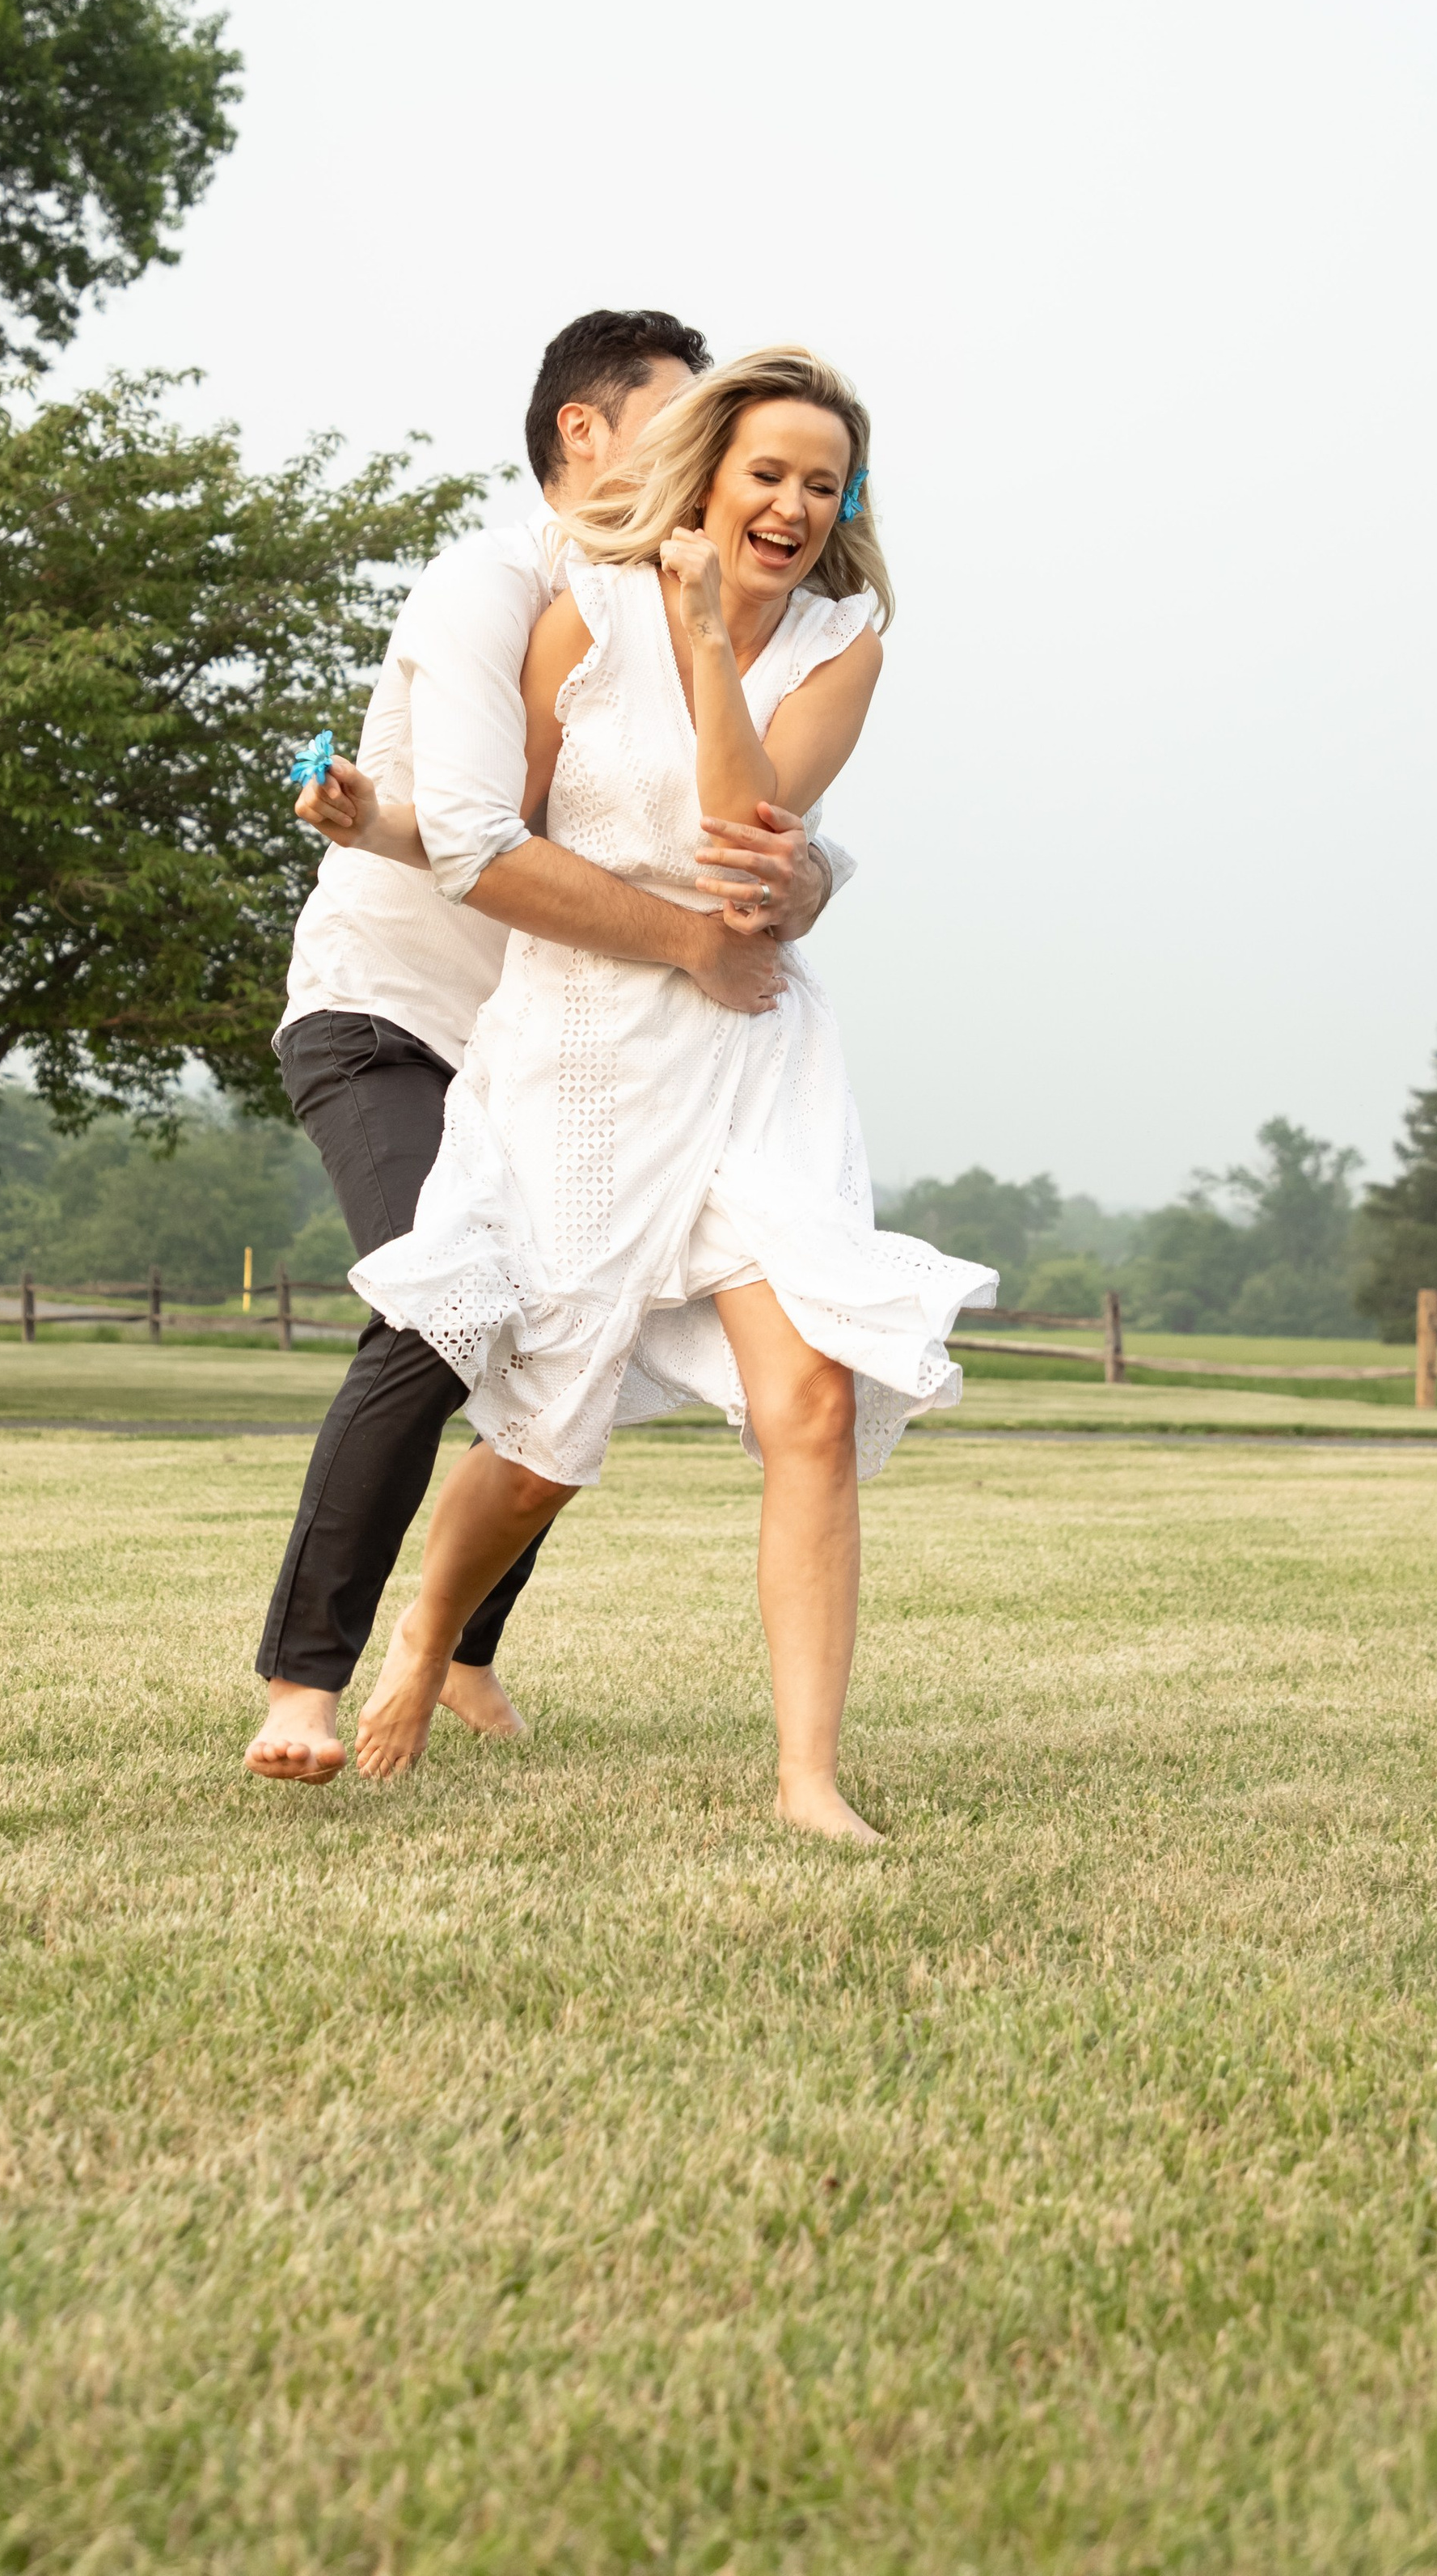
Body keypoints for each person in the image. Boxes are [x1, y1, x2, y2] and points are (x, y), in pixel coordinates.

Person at [342, 349, 997, 1841]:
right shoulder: (585, 610)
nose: (794, 504)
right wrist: (360, 814)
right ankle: (425, 1640)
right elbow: (486, 827)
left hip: (754, 1059)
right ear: (707, 474)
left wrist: (716, 647)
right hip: (581, 1054)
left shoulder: (844, 643)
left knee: (812, 1401)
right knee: (542, 1440)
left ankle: (808, 1780)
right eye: (768, 472)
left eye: (824, 483)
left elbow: (742, 831)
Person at [245, 312, 854, 1785]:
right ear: (589, 432)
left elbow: (756, 816)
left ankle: (452, 1652)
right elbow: (468, 840)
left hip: (576, 1040)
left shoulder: (724, 607)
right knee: (443, 1311)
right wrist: (706, 943)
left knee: (566, 1331)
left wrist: (817, 875)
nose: (733, 467)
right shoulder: (497, 585)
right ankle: (301, 1689)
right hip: (398, 1013)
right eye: (691, 423)